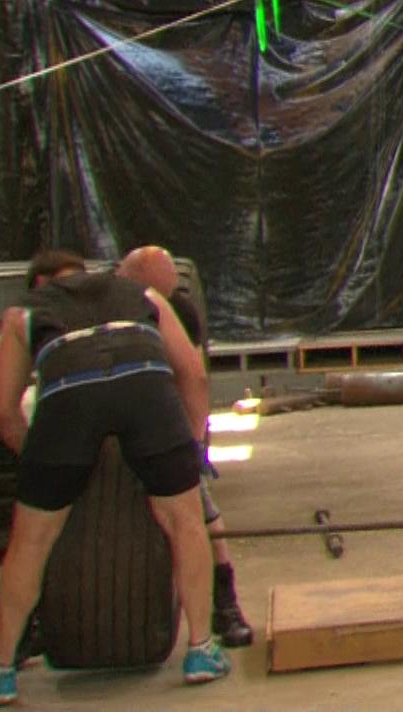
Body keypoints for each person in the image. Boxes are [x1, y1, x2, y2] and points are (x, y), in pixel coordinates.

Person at [0, 250, 230, 706]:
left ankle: (1, 670)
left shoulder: (22, 314)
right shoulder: (141, 294)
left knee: (31, 542)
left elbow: (3, 412)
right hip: (145, 387)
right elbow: (193, 373)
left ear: (41, 285)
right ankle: (202, 650)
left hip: (69, 395)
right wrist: (191, 447)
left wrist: (41, 462)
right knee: (185, 522)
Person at [116, 245, 254, 647]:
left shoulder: (178, 313)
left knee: (203, 516)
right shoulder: (110, 310)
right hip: (114, 418)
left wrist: (194, 444)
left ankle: (225, 604)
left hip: (162, 421)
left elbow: (192, 377)